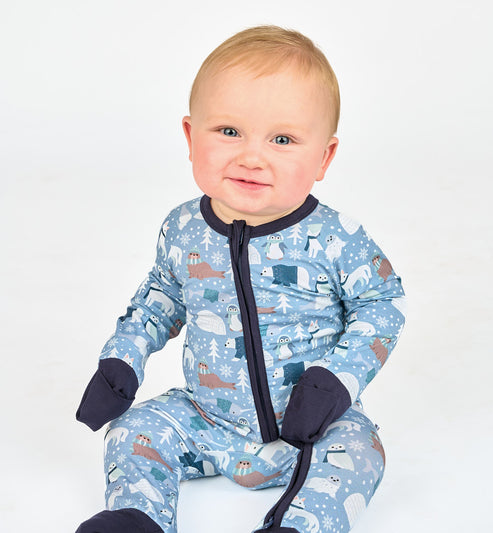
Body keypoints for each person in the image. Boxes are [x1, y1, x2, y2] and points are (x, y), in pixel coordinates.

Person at [75, 25, 406, 533]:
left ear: (324, 157)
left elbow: (383, 305)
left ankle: (295, 527)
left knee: (361, 455)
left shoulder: (337, 237)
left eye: (283, 139)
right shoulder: (183, 227)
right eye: (229, 131)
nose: (252, 156)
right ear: (190, 137)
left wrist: (336, 382)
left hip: (314, 427)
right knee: (132, 430)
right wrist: (124, 356)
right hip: (208, 420)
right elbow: (162, 296)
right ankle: (136, 517)